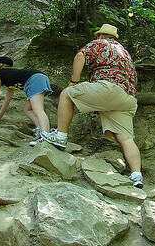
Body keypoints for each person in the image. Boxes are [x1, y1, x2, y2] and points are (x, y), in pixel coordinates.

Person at [42, 24, 143, 188]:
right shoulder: (125, 53)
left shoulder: (100, 43)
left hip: (109, 88)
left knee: (67, 94)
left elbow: (80, 56)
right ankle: (136, 175)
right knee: (125, 138)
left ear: (101, 36)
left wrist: (74, 82)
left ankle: (60, 137)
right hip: (128, 98)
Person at [0, 56, 52, 146]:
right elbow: (7, 100)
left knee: (38, 110)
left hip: (35, 80)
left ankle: (45, 135)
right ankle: (40, 128)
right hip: (40, 78)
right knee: (27, 110)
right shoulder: (11, 77)